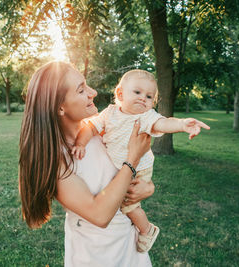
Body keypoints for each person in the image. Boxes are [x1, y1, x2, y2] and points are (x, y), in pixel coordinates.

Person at [18, 61, 155, 267]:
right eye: (81, 90)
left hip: (131, 249)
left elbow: (127, 177)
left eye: (86, 84)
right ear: (60, 107)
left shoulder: (102, 129)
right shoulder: (58, 160)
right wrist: (132, 160)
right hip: (96, 257)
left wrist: (148, 188)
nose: (93, 92)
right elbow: (99, 215)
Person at [72, 69, 210, 252]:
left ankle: (147, 229)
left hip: (139, 170)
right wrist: (81, 143)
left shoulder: (146, 116)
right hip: (120, 169)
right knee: (116, 198)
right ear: (120, 93)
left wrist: (182, 124)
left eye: (149, 96)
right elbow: (90, 127)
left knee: (128, 205)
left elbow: (164, 123)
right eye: (137, 92)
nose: (143, 98)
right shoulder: (109, 113)